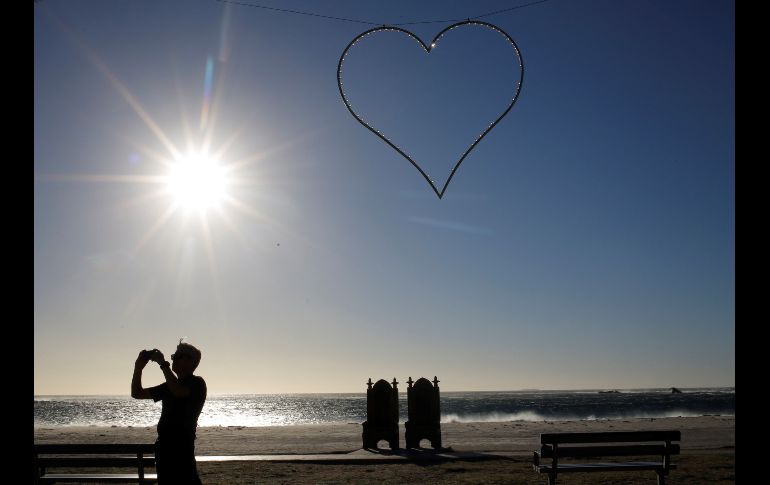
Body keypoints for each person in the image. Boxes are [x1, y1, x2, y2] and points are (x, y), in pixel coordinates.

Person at [131, 340, 207, 484]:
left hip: (181, 450)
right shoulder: (169, 385)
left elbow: (179, 391)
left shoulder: (197, 383)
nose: (173, 360)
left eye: (177, 356)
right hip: (164, 449)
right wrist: (138, 367)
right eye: (173, 356)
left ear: (190, 361)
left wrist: (163, 364)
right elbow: (137, 393)